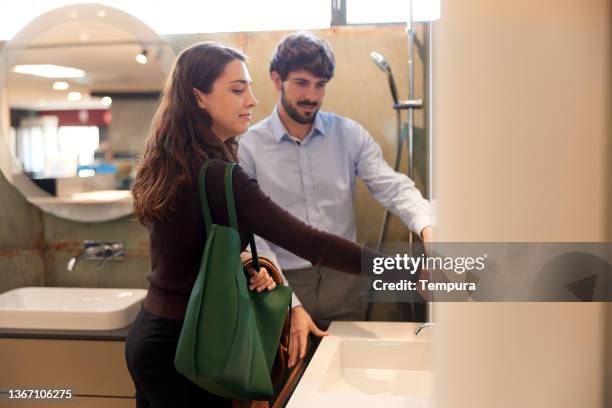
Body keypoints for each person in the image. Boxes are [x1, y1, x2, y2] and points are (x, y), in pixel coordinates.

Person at [125, 42, 369, 407]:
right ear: (199, 97)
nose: (252, 100)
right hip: (191, 349)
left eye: (250, 88)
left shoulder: (169, 161)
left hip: (152, 338)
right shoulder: (220, 176)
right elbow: (313, 244)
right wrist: (408, 269)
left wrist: (244, 267)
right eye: (238, 90)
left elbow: (187, 252)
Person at [238, 32, 433, 345]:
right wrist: (290, 301)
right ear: (277, 80)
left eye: (320, 84)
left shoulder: (348, 134)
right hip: (283, 281)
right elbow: (253, 233)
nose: (312, 95)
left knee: (345, 369)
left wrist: (427, 227)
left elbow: (392, 186)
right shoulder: (248, 147)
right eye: (302, 82)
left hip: (344, 280)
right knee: (287, 383)